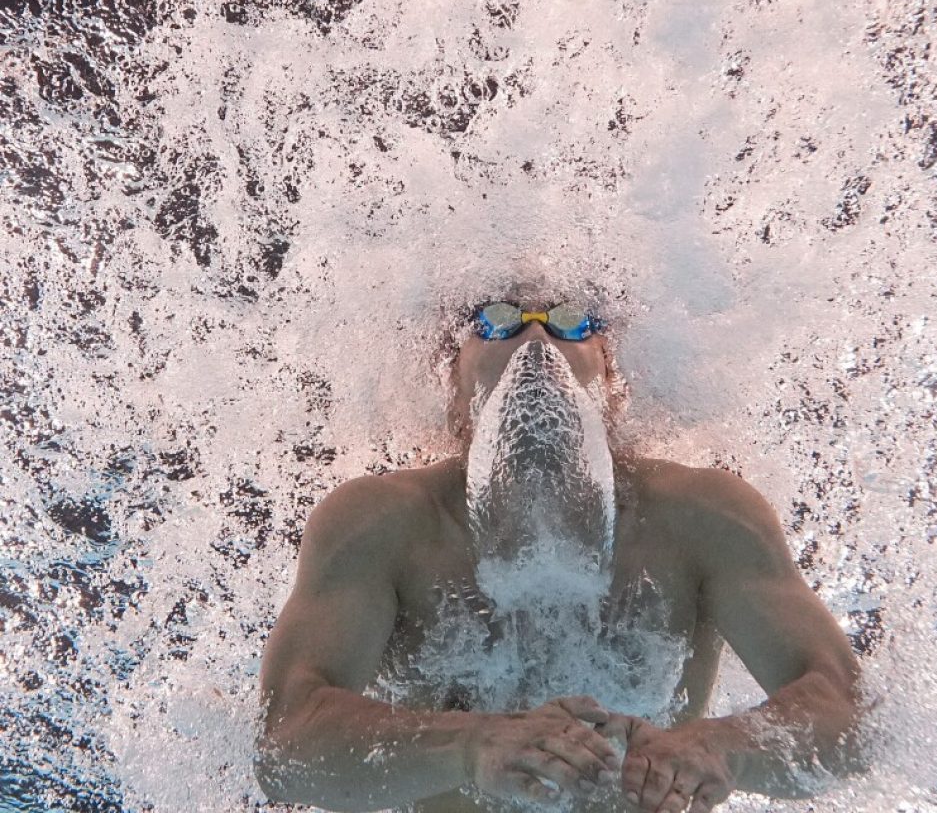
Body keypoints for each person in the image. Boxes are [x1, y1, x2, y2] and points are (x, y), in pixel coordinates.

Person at [255, 299, 865, 812]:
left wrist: (722, 749)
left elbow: (851, 713)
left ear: (613, 390)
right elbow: (284, 746)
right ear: (454, 394)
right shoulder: (381, 527)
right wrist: (472, 746)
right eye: (495, 318)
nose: (537, 334)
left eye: (574, 317)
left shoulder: (703, 519)